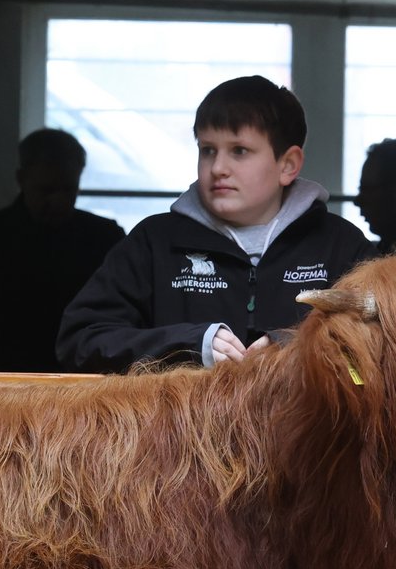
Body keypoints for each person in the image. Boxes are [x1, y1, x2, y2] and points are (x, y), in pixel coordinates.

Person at [56, 76, 371, 373]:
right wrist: (189, 346)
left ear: (287, 165)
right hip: (183, 431)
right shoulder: (155, 242)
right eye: (207, 150)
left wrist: (294, 348)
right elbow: (79, 342)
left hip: (306, 431)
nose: (218, 167)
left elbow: (384, 347)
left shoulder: (339, 245)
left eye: (239, 151)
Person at [0, 129, 126, 374]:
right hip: (0, 380)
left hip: (80, 380)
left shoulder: (105, 238)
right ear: (21, 179)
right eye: (46, 190)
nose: (58, 201)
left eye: (68, 189)